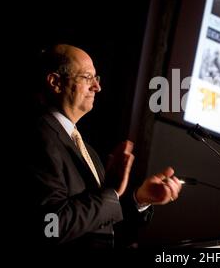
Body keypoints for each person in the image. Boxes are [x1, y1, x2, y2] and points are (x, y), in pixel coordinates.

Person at [11, 43, 182, 248]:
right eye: (87, 77)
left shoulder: (87, 151)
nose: (97, 87)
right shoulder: (35, 136)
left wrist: (139, 199)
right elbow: (49, 227)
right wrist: (112, 194)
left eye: (96, 78)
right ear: (55, 82)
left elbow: (102, 225)